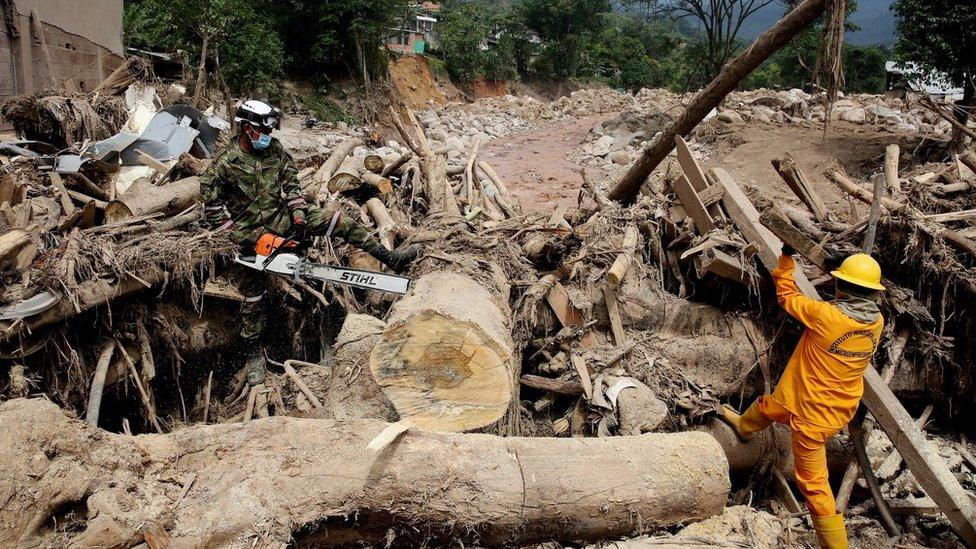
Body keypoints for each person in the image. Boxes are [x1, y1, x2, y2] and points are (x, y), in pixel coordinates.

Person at [200, 100, 420, 385]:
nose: (266, 137)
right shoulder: (224, 163)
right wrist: (245, 238)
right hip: (250, 232)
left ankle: (391, 258)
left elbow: (291, 181)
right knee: (253, 299)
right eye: (261, 130)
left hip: (282, 217)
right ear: (246, 128)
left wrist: (299, 213)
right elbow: (212, 208)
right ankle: (254, 355)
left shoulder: (274, 150)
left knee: (337, 221)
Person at [720, 247, 886, 549]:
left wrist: (786, 260)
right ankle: (745, 425)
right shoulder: (876, 322)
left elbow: (786, 295)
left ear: (842, 287)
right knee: (774, 405)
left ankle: (836, 546)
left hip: (812, 417)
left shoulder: (824, 316)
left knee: (815, 486)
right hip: (838, 406)